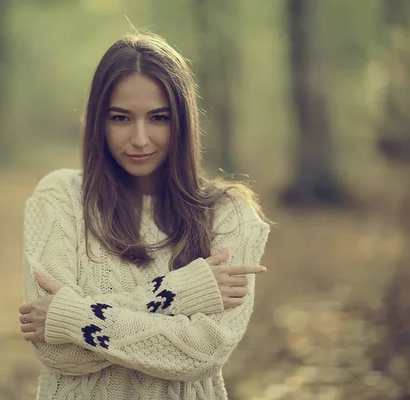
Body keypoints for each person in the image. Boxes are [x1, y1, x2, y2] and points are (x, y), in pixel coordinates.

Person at [18, 31, 271, 400]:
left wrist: (72, 316)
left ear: (182, 121)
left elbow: (204, 352)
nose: (139, 139)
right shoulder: (59, 198)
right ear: (98, 123)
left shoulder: (229, 216)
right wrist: (178, 292)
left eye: (158, 118)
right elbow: (55, 351)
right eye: (121, 118)